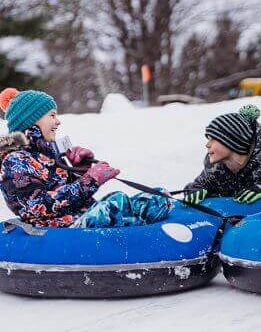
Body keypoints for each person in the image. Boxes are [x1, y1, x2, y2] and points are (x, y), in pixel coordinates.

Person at [0, 88, 170, 228]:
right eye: (52, 115)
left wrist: (81, 168)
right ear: (31, 120)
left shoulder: (47, 153)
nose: (58, 121)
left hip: (80, 217)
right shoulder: (15, 161)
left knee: (155, 197)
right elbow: (40, 207)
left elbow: (67, 192)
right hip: (57, 231)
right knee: (115, 205)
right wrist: (90, 180)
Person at [183, 105, 261, 205]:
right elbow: (200, 184)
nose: (207, 145)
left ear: (232, 141)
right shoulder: (215, 169)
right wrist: (194, 190)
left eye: (213, 139)